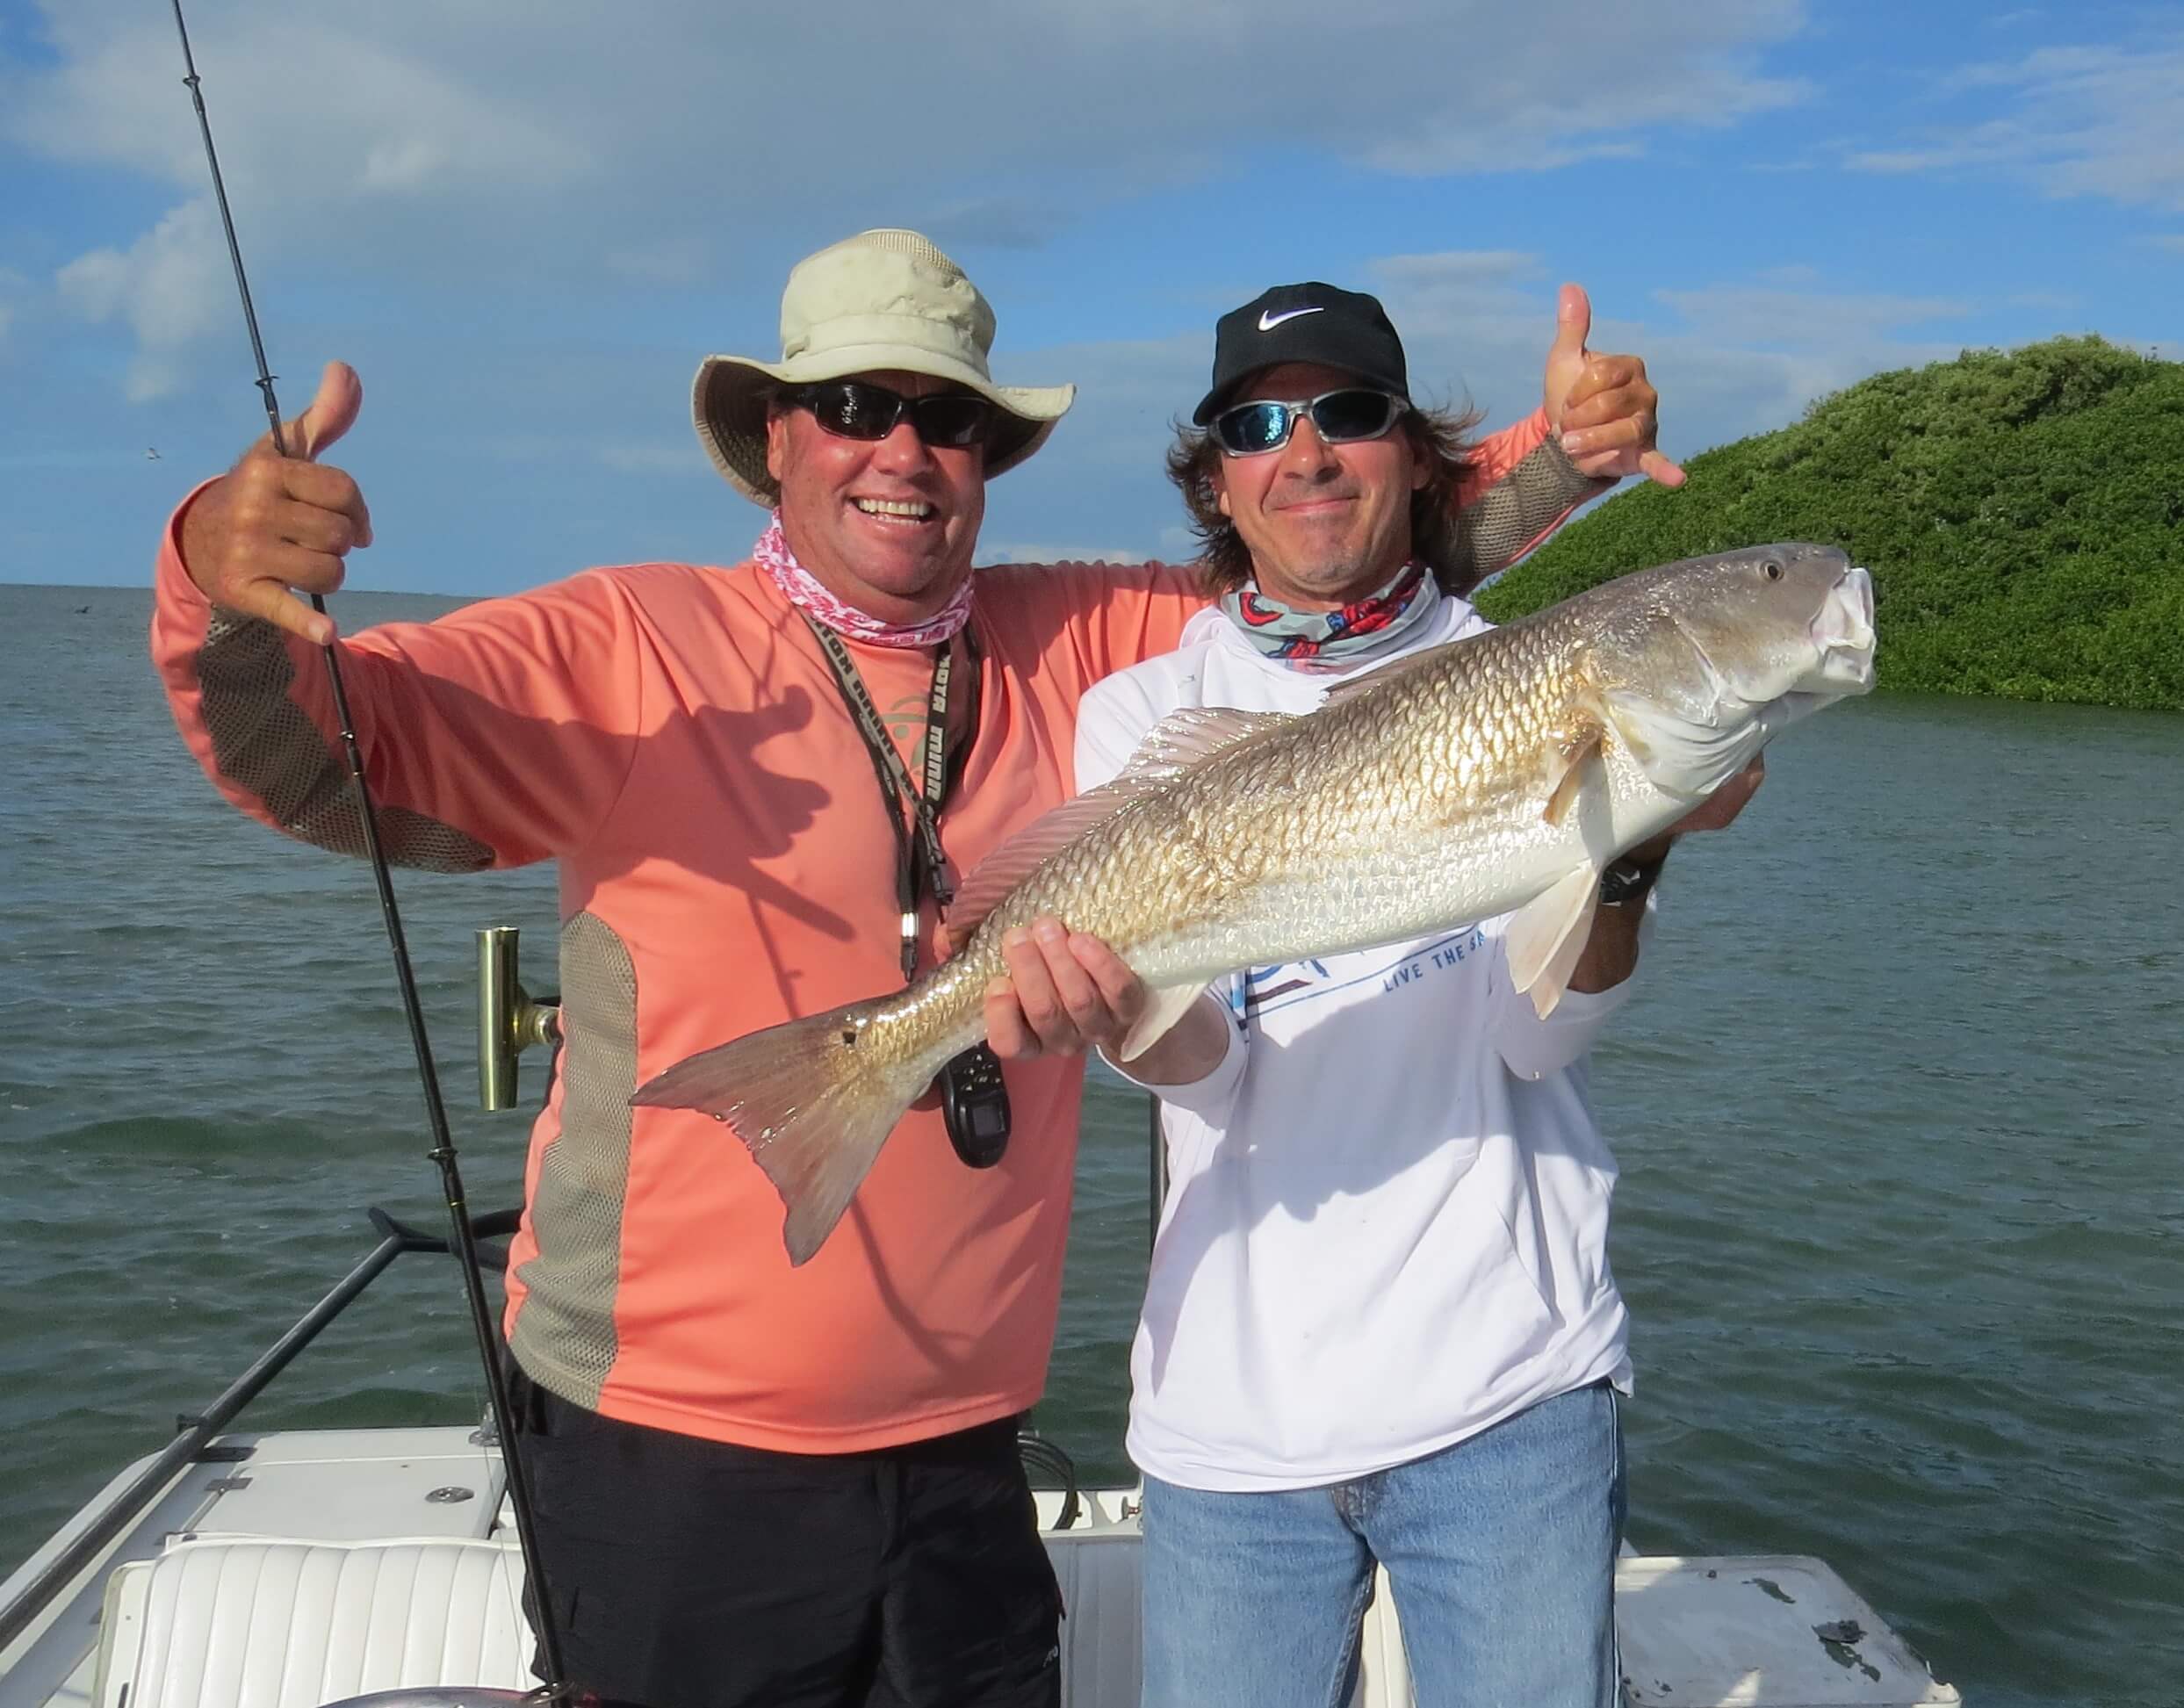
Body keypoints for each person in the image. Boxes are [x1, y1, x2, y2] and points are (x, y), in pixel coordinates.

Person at [150, 229, 1669, 1708]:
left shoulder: (1085, 641)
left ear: (988, 457)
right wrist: (218, 588)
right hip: (671, 1451)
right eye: (855, 407)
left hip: (964, 1448)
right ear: (774, 438)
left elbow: (1333, 559)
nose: (902, 450)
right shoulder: (626, 640)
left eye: (945, 417)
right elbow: (324, 761)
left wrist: (1564, 451)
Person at [1066, 282, 1752, 1708]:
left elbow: (1533, 1033)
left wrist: (1625, 860)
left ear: (1423, 453)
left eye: (1352, 412)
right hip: (1231, 1428)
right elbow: (1205, 1077)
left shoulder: (1524, 674)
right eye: (1258, 424)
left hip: (1513, 1391)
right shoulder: (1139, 716)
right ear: (1218, 480)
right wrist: (1113, 1004)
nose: (1304, 451)